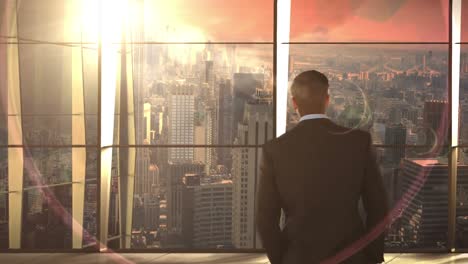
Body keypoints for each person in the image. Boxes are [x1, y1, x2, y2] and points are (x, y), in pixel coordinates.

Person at [256, 70, 389, 264]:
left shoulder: (275, 149)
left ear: (294, 103)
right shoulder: (359, 142)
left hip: (298, 257)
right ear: (327, 100)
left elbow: (266, 217)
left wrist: (281, 260)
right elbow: (378, 206)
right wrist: (372, 256)